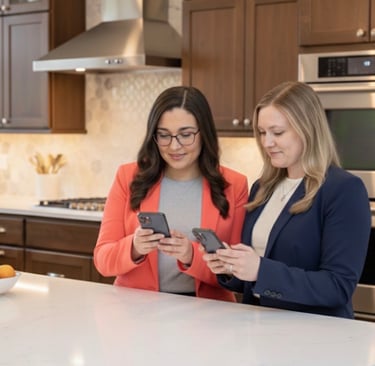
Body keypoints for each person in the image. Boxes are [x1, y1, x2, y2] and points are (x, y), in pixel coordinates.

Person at [202, 81, 371, 318]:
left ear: (307, 129)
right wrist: (231, 269)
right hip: (261, 328)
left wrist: (261, 270)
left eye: (277, 132)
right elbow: (254, 281)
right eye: (262, 132)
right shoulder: (262, 188)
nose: (266, 142)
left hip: (315, 337)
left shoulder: (343, 190)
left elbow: (337, 287)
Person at [94, 86, 249, 301]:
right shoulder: (127, 177)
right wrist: (134, 247)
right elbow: (102, 260)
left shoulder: (234, 185)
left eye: (185, 135)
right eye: (164, 135)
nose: (174, 146)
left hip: (209, 316)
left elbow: (235, 275)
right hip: (137, 310)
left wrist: (190, 256)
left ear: (204, 133)